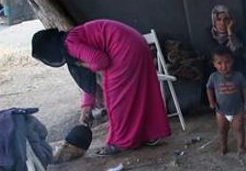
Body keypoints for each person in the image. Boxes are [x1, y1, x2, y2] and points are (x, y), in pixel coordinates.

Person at [32, 20, 171, 156]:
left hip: (124, 48)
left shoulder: (71, 44)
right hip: (136, 43)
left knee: (115, 101)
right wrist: (86, 107)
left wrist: (85, 64)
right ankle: (147, 134)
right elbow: (87, 79)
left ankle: (119, 143)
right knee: (137, 95)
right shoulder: (70, 41)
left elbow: (100, 61)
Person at [206, 49, 246, 155]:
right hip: (221, 111)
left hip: (238, 109)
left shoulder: (238, 76)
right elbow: (209, 88)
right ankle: (223, 146)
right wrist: (211, 102)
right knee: (222, 130)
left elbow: (245, 88)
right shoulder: (214, 77)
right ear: (214, 64)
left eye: (227, 62)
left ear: (232, 61)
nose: (224, 66)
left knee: (239, 128)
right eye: (219, 63)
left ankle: (241, 147)